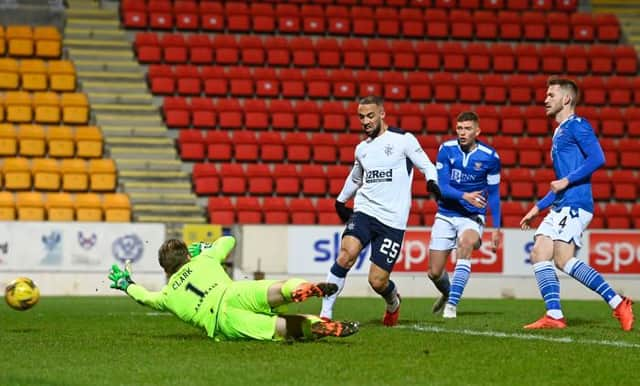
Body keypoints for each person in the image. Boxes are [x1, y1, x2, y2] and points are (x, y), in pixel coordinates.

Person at [519, 76, 634, 331]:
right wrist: (537, 208)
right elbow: (559, 184)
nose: (545, 99)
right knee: (539, 252)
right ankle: (554, 315)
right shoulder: (559, 132)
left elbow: (598, 157)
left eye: (551, 95)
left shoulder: (577, 125)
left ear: (566, 99)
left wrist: (566, 181)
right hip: (561, 204)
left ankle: (618, 303)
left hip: (576, 204)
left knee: (563, 260)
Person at [320, 95, 441, 326]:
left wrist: (431, 182)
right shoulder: (361, 149)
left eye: (370, 116)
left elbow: (426, 165)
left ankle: (393, 301)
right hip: (364, 211)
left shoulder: (403, 140)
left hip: (392, 221)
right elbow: (355, 179)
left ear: (382, 114)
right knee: (346, 255)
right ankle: (325, 314)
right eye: (361, 117)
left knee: (377, 281)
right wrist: (340, 201)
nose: (365, 121)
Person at [108, 236, 360, 341]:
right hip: (232, 291)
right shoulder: (203, 259)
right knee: (276, 289)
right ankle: (301, 289)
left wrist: (126, 284)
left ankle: (317, 325)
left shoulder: (167, 295)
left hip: (223, 321)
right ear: (187, 256)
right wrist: (206, 248)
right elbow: (229, 240)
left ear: (166, 271)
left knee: (279, 328)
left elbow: (144, 297)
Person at [426, 111, 501, 319]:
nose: (462, 132)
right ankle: (447, 292)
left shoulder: (490, 157)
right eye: (459, 128)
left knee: (466, 244)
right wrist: (465, 196)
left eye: (467, 128)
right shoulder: (446, 150)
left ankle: (452, 305)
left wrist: (496, 228)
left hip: (472, 216)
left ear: (477, 131)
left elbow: (494, 194)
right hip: (446, 213)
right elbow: (443, 186)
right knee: (434, 272)